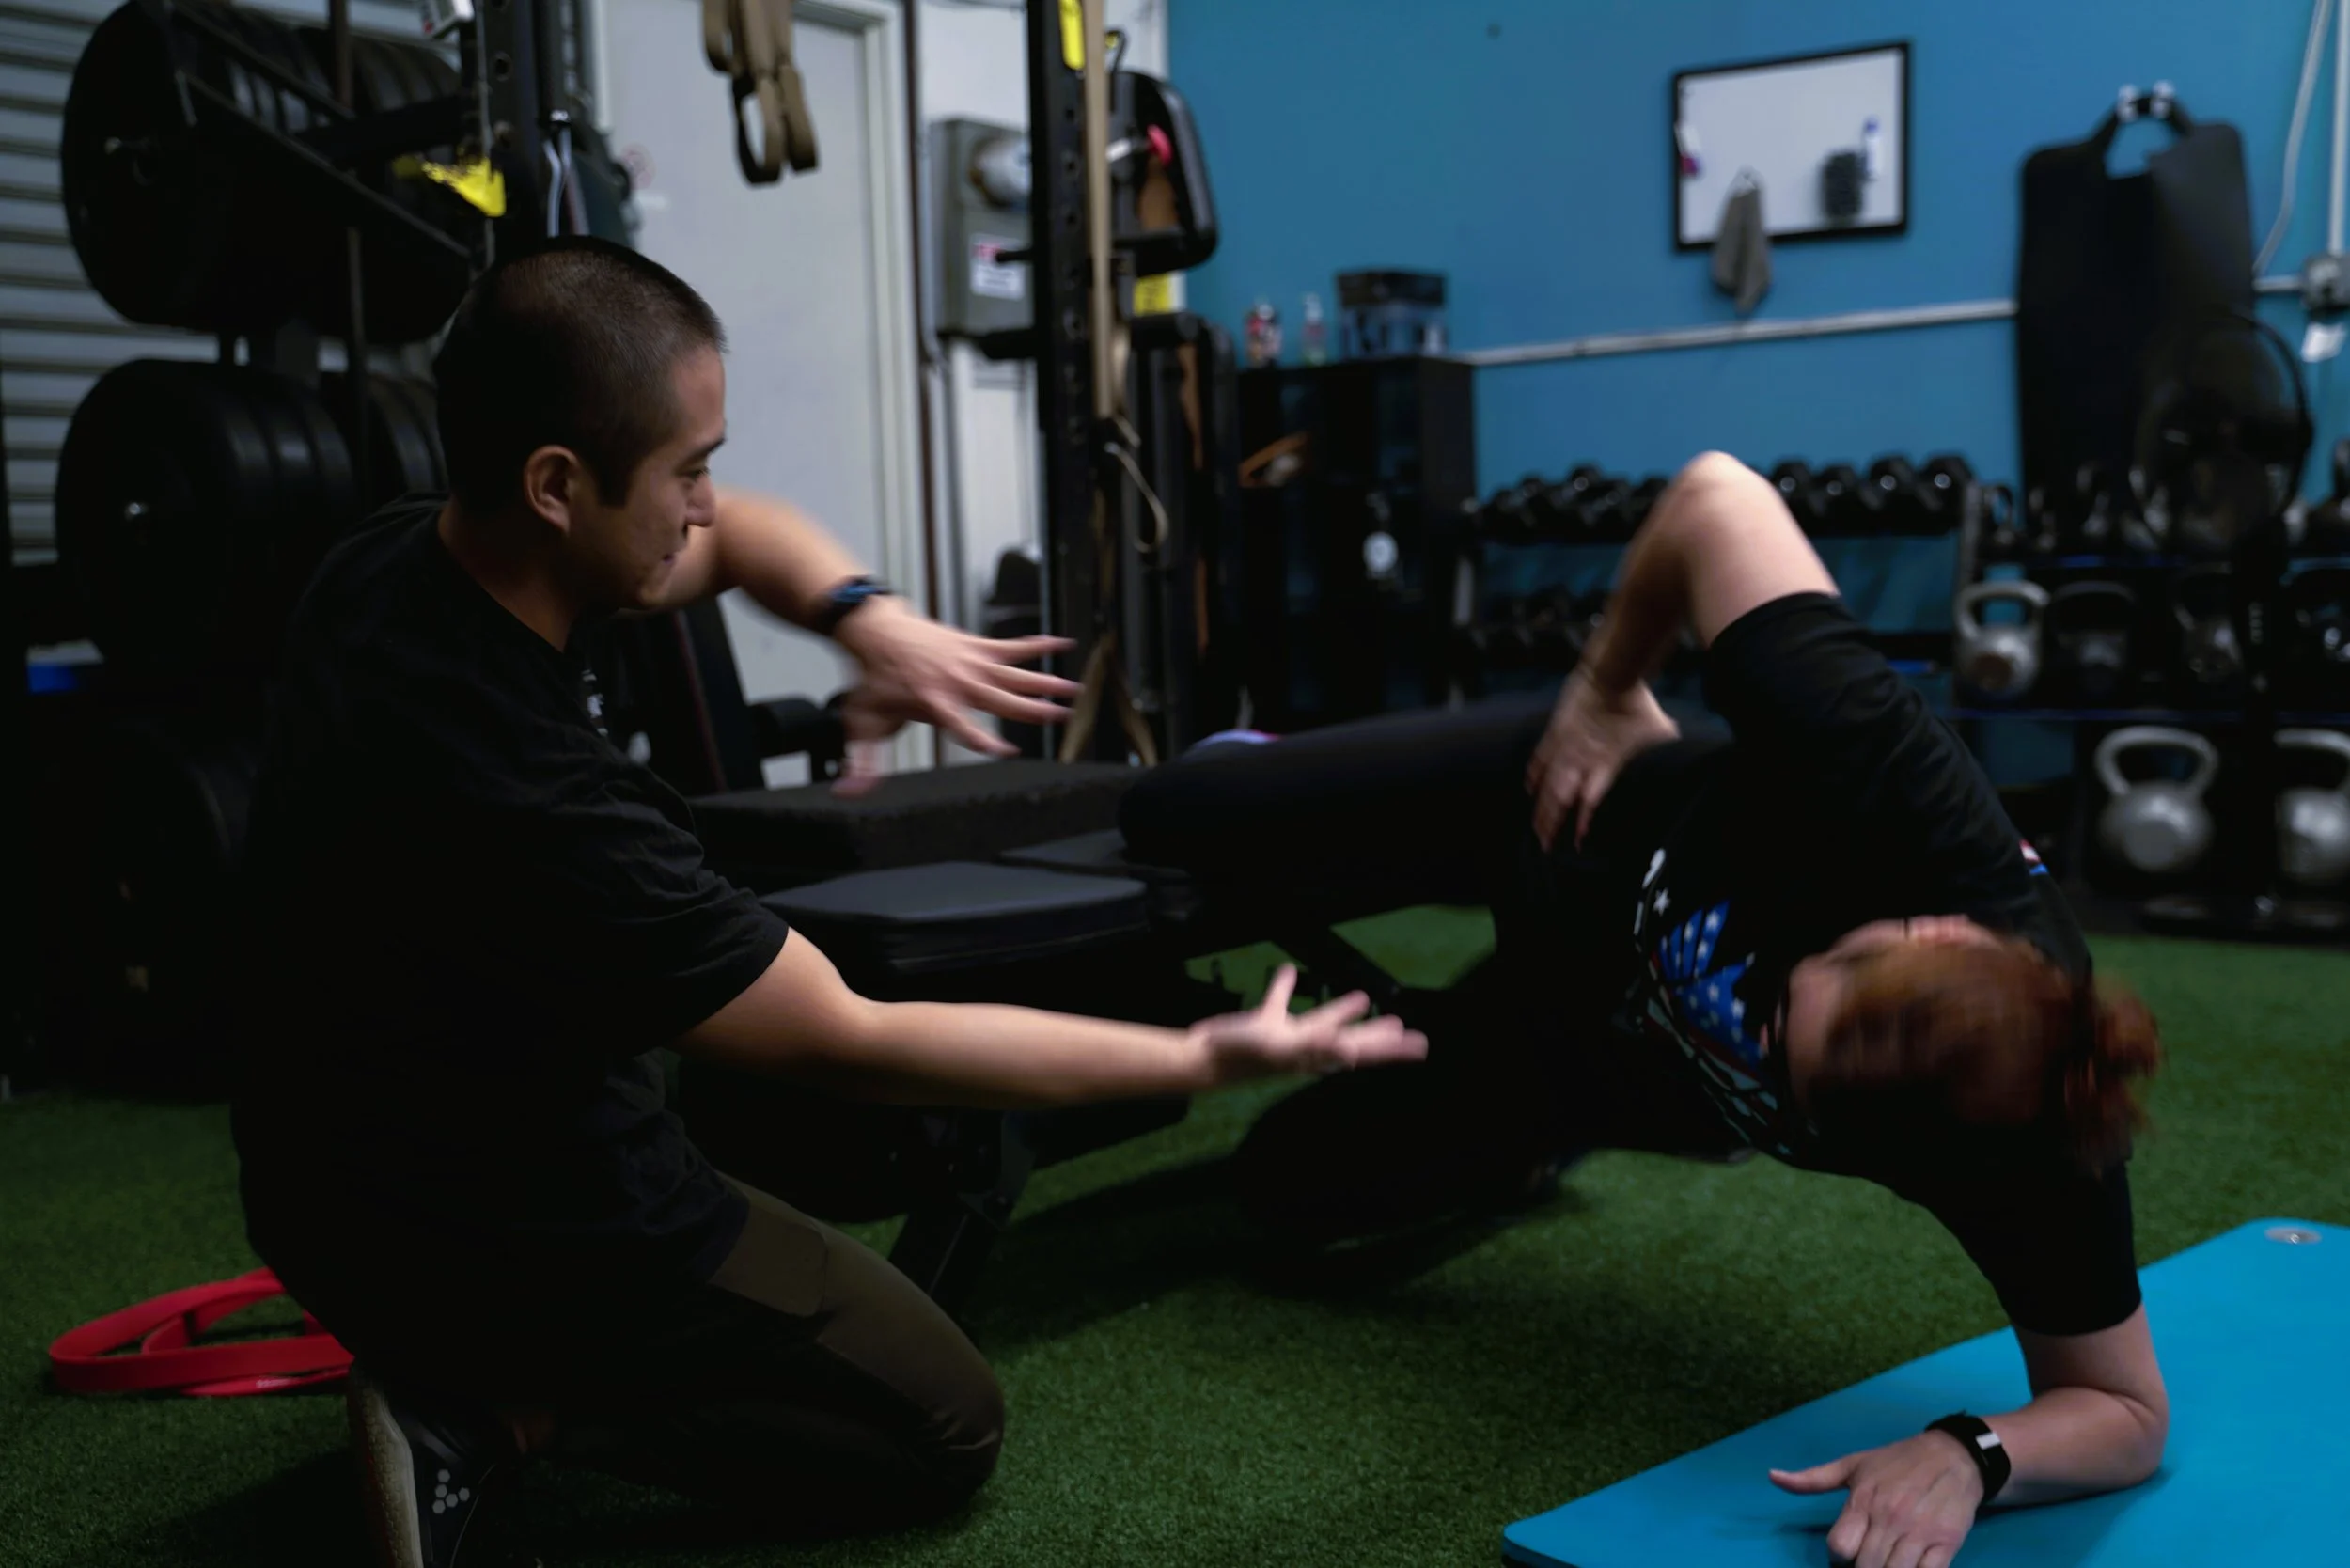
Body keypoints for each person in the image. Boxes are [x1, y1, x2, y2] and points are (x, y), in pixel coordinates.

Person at [228, 236, 1427, 1568]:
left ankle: (465, 1357)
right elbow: (859, 1038)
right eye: (687, 469)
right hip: (510, 1223)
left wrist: (869, 618)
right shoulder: (541, 804)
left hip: (308, 1196)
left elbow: (738, 541)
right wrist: (1199, 1052)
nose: (705, 504)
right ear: (559, 484)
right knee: (945, 1421)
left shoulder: (386, 565)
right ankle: (500, 1412)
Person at [1230, 451, 2169, 1568]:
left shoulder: (2029, 1148)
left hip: (1603, 1050)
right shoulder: (1889, 783)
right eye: (1796, 1010)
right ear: (1923, 933)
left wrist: (1972, 1450)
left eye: (1793, 1075)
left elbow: (2125, 1418)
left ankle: (1537, 1137)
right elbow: (1715, 494)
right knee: (1190, 818)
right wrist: (1607, 687)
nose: (1764, 1034)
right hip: (1563, 805)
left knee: (1279, 1191)